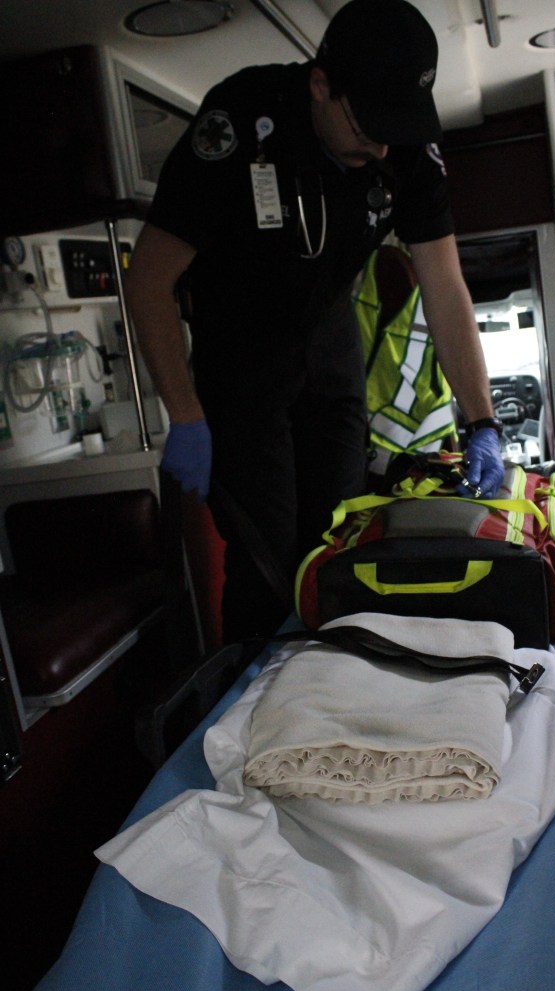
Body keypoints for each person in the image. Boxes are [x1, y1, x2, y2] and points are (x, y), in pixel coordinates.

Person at [124, 0, 505, 645]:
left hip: (329, 348)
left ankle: (341, 691)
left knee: (340, 545)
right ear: (321, 84)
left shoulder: (406, 149)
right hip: (241, 361)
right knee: (269, 569)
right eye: (366, 125)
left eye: (396, 128)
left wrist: (482, 420)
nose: (382, 145)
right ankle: (261, 718)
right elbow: (149, 279)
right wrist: (186, 415)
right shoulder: (241, 121)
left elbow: (444, 287)